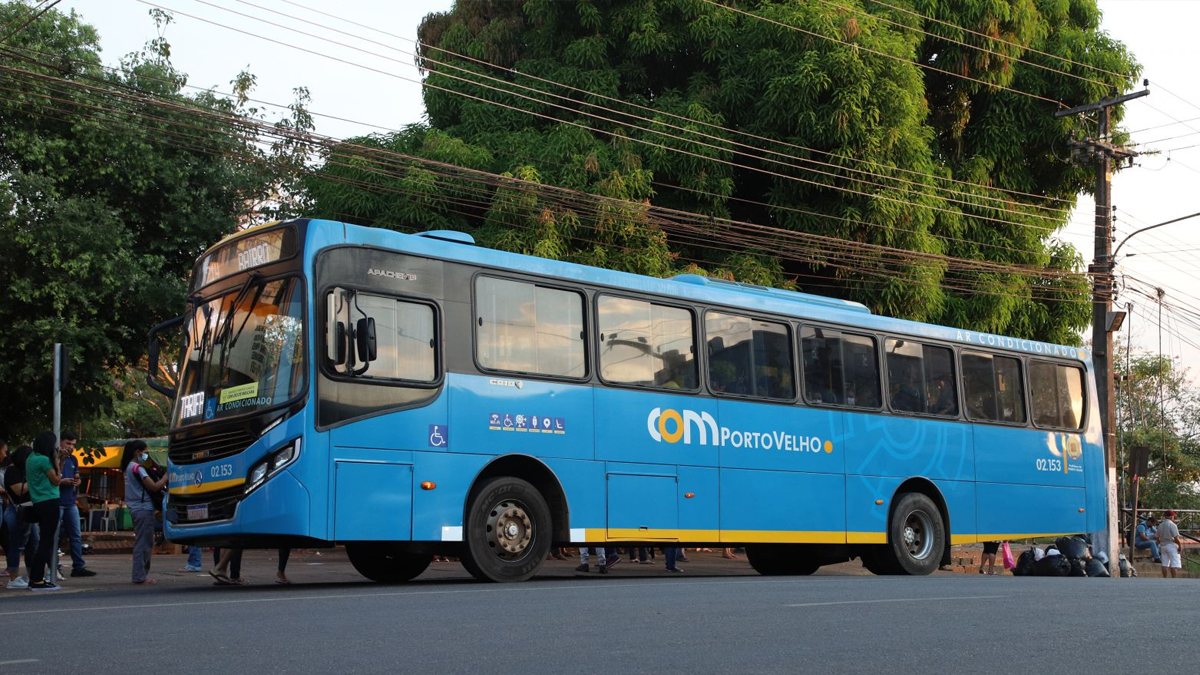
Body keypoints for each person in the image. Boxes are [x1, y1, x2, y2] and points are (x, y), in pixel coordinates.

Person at [26, 431, 73, 591]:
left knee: (44, 541)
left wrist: (60, 461)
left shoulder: (31, 458)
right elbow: (56, 480)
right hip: (49, 501)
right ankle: (37, 579)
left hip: (38, 501)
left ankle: (37, 577)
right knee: (46, 542)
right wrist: (55, 460)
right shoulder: (44, 460)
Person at [122, 440, 167, 585]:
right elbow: (154, 487)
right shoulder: (137, 468)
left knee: (143, 541)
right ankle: (140, 576)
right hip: (143, 508)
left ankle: (140, 575)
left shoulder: (127, 467)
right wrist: (167, 475)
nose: (146, 455)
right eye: (145, 452)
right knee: (144, 543)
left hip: (135, 508)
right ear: (137, 452)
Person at [56, 432, 94, 578]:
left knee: (76, 536)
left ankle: (78, 566)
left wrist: (77, 482)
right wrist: (62, 481)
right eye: (68, 443)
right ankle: (55, 566)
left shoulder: (73, 459)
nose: (70, 447)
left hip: (70, 501)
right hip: (58, 501)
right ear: (60, 442)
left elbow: (77, 476)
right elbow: (51, 480)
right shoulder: (54, 459)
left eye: (72, 444)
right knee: (56, 535)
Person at [1156, 510, 1184, 578]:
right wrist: (1180, 546)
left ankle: (1165, 578)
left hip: (1163, 545)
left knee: (1164, 563)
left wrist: (1161, 542)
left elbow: (1157, 537)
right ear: (1172, 517)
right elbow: (1176, 538)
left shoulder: (1160, 525)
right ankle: (1173, 579)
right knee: (1174, 563)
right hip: (1171, 545)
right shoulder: (1172, 525)